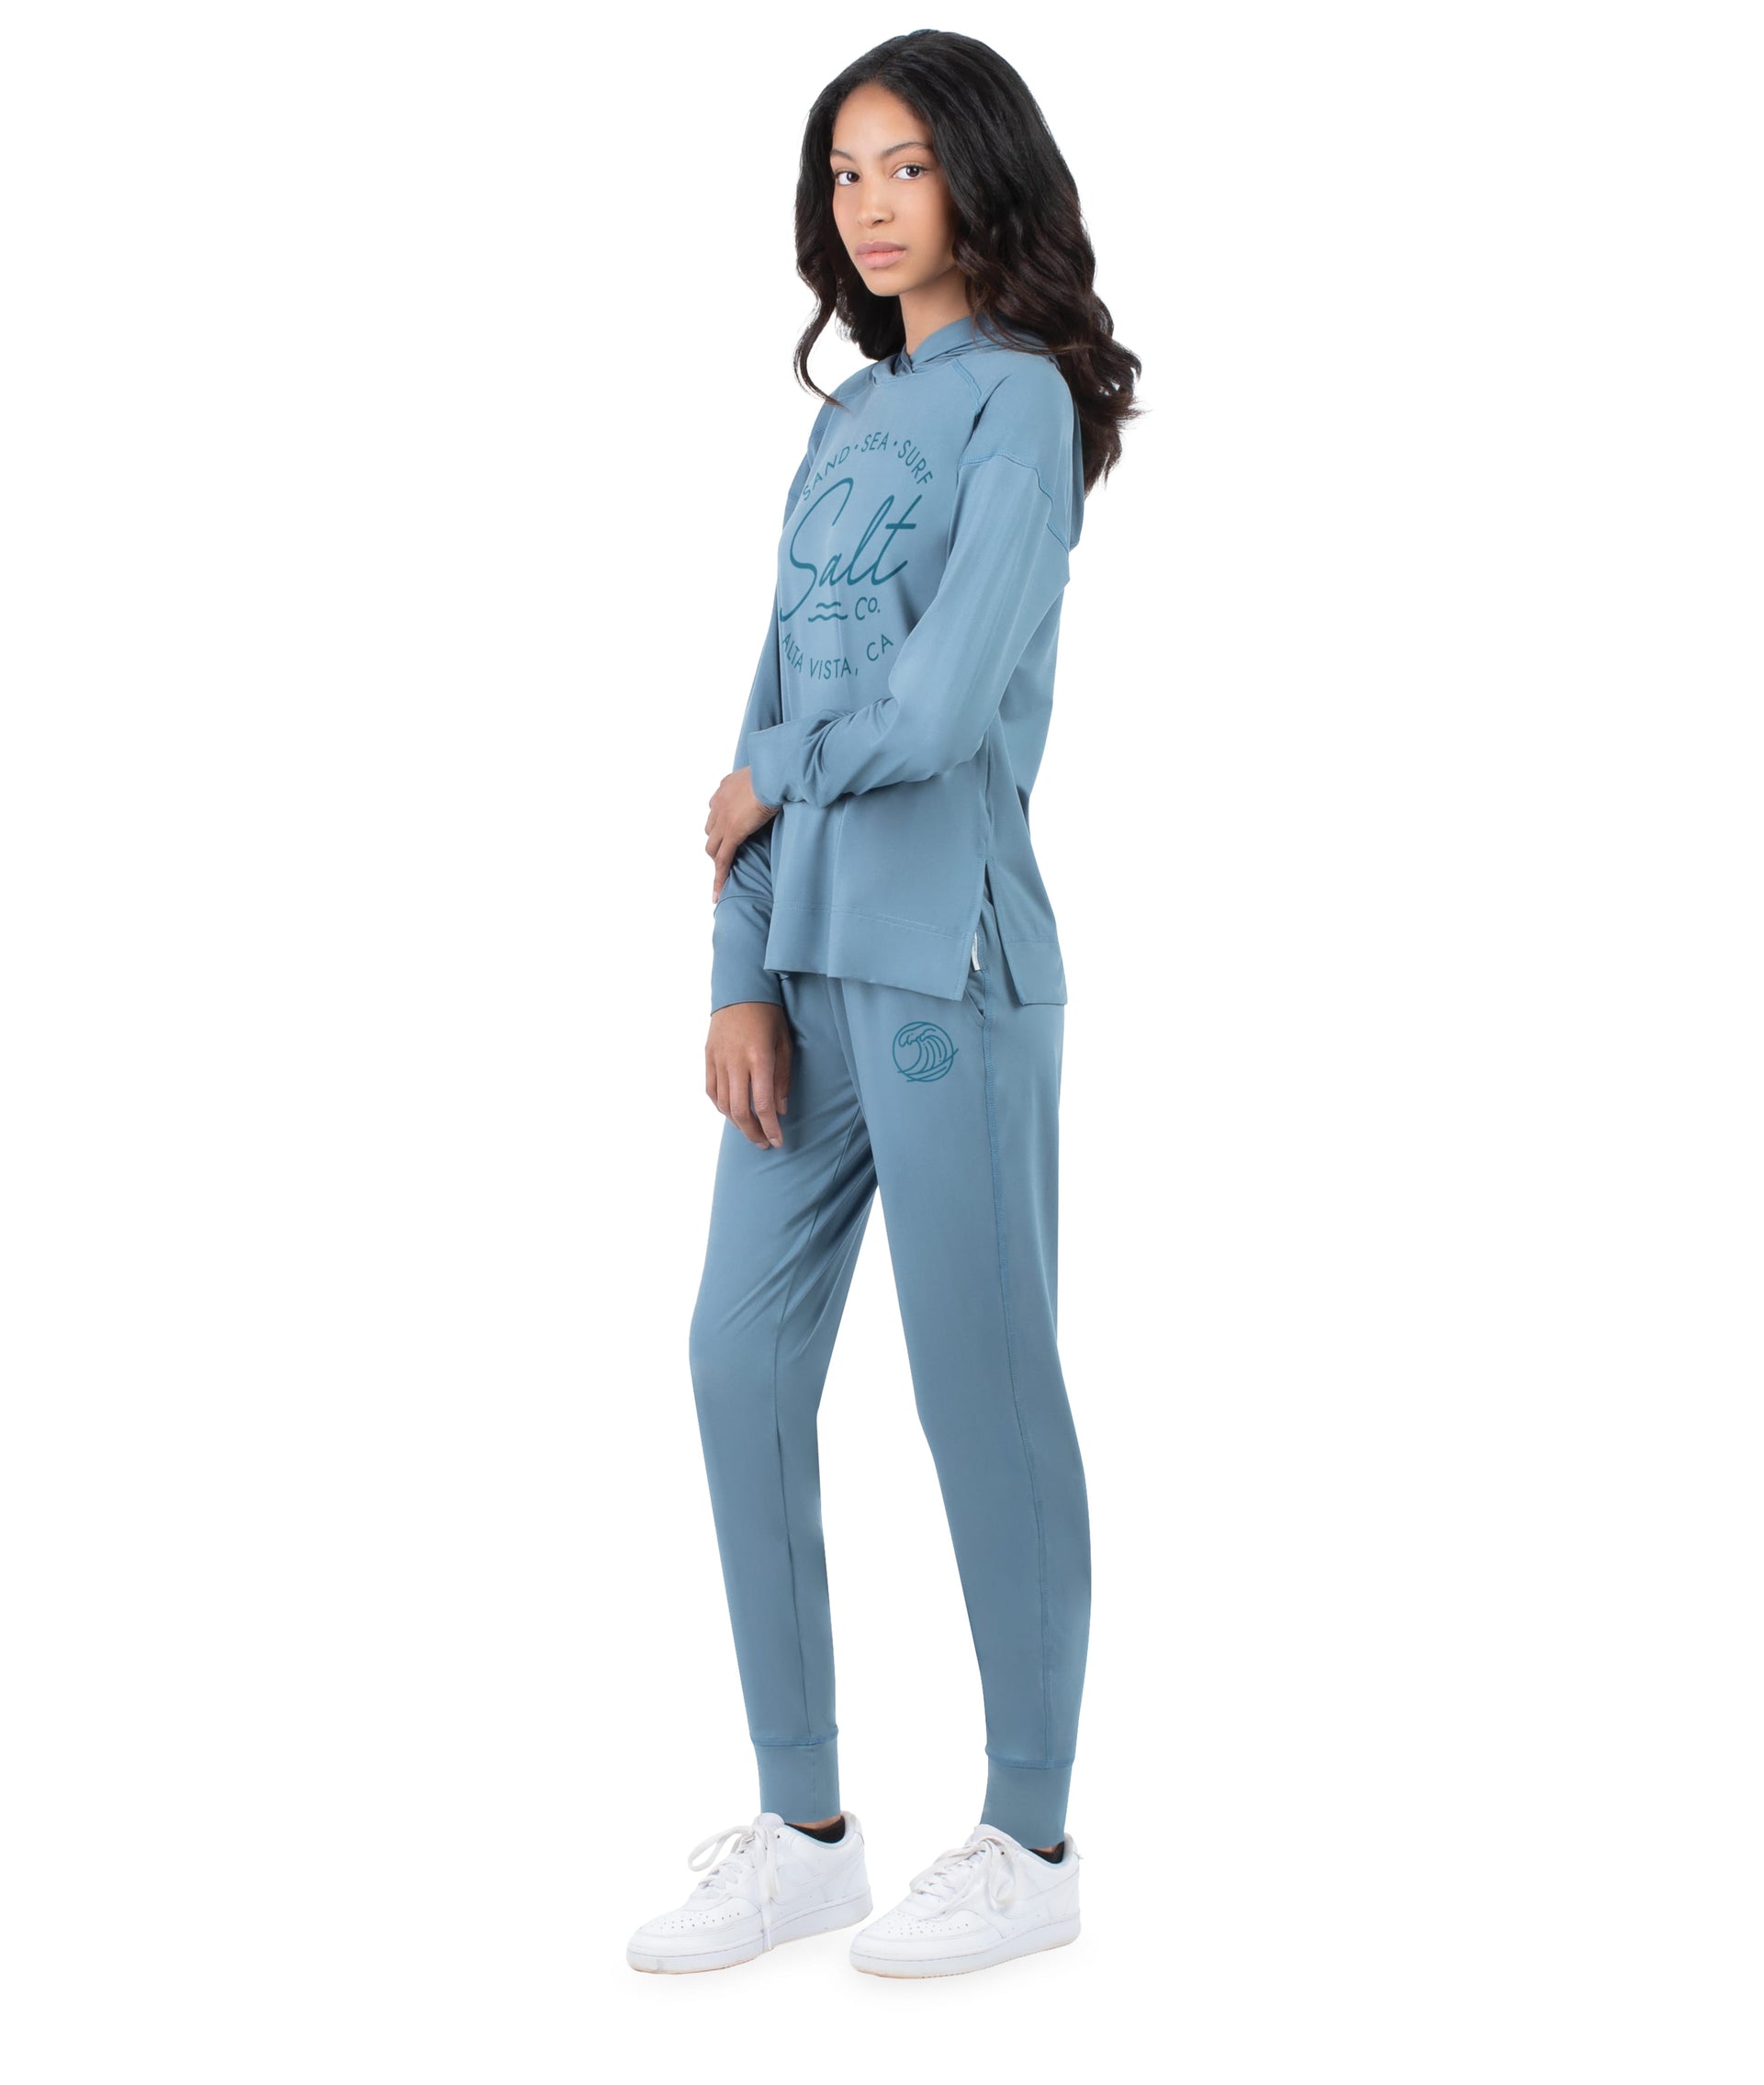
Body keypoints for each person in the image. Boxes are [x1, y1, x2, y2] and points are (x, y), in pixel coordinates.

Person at [627, 31, 1141, 1980]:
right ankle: (804, 1828)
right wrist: (736, 970)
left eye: (904, 164)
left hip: (950, 969)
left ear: (979, 177)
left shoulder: (1020, 406)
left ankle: (1029, 1836)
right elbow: (765, 704)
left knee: (977, 1387)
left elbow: (924, 717)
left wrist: (769, 776)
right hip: (810, 979)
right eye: (841, 171)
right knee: (735, 1362)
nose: (865, 203)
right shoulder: (846, 421)